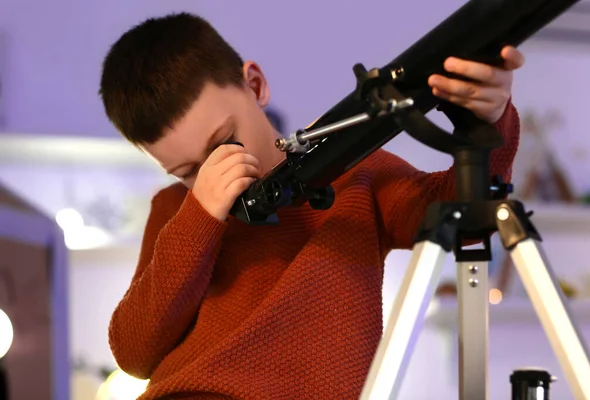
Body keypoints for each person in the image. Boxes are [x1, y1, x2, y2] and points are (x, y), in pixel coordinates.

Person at [99, 11, 524, 400]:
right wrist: (199, 215)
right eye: (188, 170)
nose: (214, 175)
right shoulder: (177, 210)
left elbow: (464, 215)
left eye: (223, 145)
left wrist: (488, 122)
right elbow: (134, 351)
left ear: (255, 86)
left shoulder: (355, 173)